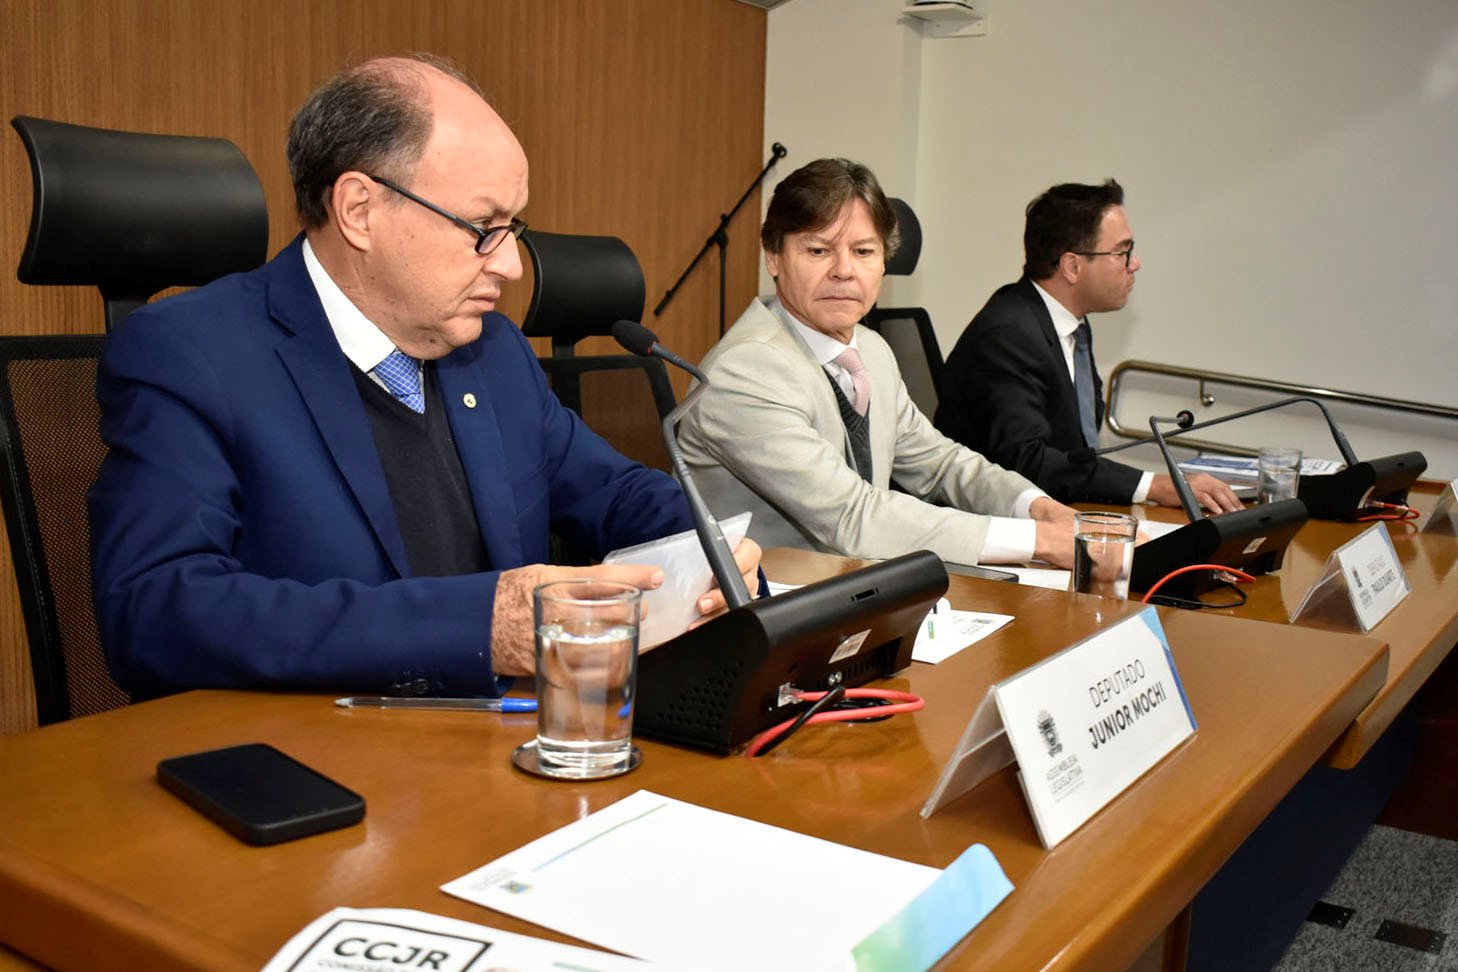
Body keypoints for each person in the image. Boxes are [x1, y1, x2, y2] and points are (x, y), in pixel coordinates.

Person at [88, 54, 758, 700]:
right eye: (483, 226)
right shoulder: (191, 354)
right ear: (360, 210)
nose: (512, 266)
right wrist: (477, 627)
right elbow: (154, 609)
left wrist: (709, 550)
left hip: (503, 739)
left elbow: (614, 493)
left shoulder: (494, 352)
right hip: (311, 749)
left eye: (513, 228)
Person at [676, 158, 1078, 568]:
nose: (844, 271)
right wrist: (1039, 541)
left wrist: (1035, 507)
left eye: (863, 251)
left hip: (855, 581)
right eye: (818, 250)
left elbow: (938, 464)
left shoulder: (871, 349)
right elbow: (852, 515)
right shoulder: (745, 369)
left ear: (884, 261)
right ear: (774, 258)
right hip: (765, 595)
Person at [935, 180, 1241, 515]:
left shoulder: (1071, 325)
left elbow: (1074, 451)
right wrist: (1153, 485)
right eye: (1122, 252)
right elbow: (1028, 461)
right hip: (990, 523)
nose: (1134, 263)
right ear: (1072, 266)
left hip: (1058, 508)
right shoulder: (1009, 334)